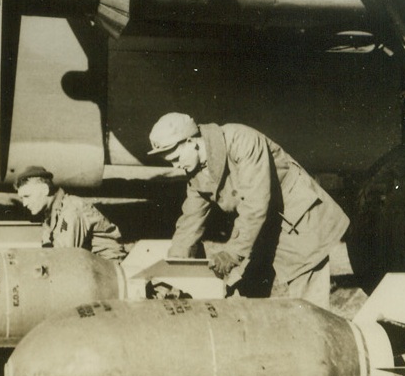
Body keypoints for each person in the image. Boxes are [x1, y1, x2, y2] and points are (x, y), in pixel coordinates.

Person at [147, 112, 349, 308]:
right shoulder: (197, 172)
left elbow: (255, 204)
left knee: (309, 311)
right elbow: (189, 223)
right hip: (262, 229)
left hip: (302, 224)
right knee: (244, 301)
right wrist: (172, 271)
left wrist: (232, 253)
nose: (175, 166)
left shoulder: (242, 140)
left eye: (176, 158)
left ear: (191, 142)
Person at [14, 166, 127, 262]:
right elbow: (48, 247)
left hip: (108, 270)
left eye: (27, 196)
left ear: (44, 190)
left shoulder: (70, 211)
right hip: (90, 266)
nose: (24, 204)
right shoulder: (52, 212)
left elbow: (65, 259)